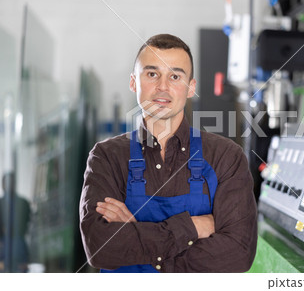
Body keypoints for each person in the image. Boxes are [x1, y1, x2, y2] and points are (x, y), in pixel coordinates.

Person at [79, 34, 258, 272]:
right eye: (152, 74)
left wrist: (139, 243)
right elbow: (100, 249)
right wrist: (193, 228)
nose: (163, 87)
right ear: (134, 82)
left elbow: (238, 253)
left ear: (190, 87)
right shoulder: (107, 157)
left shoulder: (226, 157)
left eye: (175, 76)